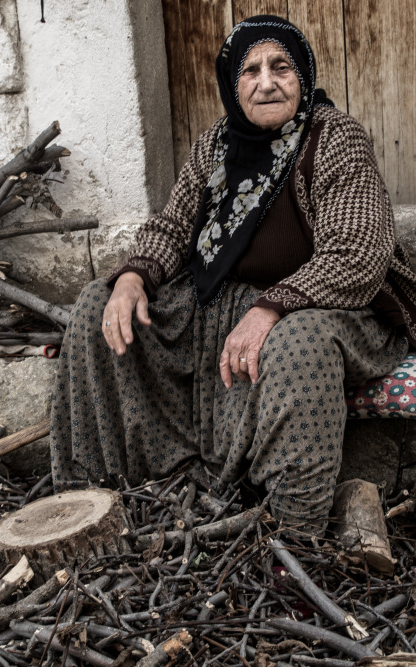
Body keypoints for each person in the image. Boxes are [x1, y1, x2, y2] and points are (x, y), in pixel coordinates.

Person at [50, 15, 416, 536]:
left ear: (303, 76)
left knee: (298, 342)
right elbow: (174, 228)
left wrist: (271, 307)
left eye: (281, 66)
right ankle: (103, 499)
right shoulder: (214, 146)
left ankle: (294, 529)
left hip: (332, 307)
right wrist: (133, 276)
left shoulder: (334, 138)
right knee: (97, 303)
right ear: (232, 84)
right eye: (250, 71)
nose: (267, 81)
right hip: (221, 306)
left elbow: (356, 255)